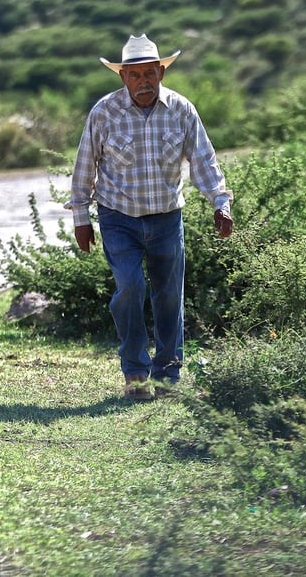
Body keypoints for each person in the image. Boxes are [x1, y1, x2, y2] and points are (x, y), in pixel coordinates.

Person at [66, 34, 233, 400]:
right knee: (129, 287)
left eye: (149, 74)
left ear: (160, 72)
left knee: (169, 296)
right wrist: (81, 216)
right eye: (135, 75)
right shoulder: (104, 112)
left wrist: (220, 202)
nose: (143, 82)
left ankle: (168, 377)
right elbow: (85, 165)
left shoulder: (182, 110)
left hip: (166, 218)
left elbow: (203, 159)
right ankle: (136, 374)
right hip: (118, 217)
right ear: (123, 77)